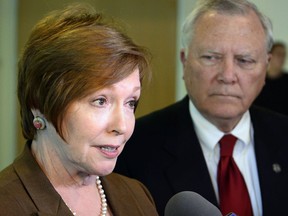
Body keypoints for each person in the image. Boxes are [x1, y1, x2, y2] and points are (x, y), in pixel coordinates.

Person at [114, 0, 288, 215]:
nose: (227, 75)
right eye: (211, 57)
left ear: (266, 67)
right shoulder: (131, 149)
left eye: (245, 60)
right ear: (184, 61)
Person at [0, 3, 159, 216]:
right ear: (39, 106)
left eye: (130, 102)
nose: (122, 126)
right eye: (100, 101)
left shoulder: (137, 195)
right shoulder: (6, 204)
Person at [254, 41, 288, 115]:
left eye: (284, 55)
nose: (282, 58)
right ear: (270, 56)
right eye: (279, 54)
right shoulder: (259, 79)